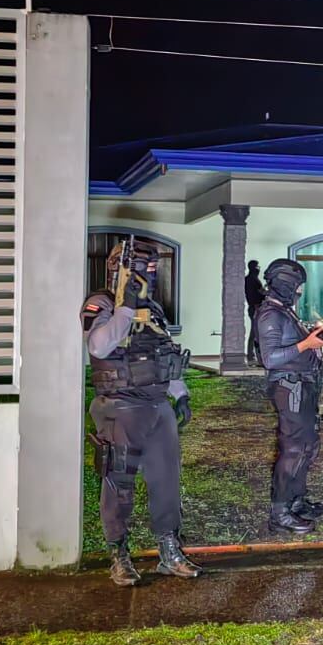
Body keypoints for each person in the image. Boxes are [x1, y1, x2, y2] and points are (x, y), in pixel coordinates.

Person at [82, 240, 203, 586]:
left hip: (156, 406)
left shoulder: (153, 308)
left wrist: (180, 395)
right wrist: (125, 306)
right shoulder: (101, 303)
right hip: (120, 408)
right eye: (145, 267)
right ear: (123, 268)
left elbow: (165, 354)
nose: (151, 273)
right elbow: (99, 345)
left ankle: (169, 550)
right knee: (118, 482)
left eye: (153, 268)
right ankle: (119, 555)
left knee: (166, 481)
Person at [255, 259, 323, 534]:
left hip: (303, 386)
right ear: (286, 284)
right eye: (297, 286)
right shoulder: (270, 315)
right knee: (293, 449)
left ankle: (296, 501)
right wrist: (307, 343)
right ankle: (280, 512)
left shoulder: (284, 312)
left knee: (307, 447)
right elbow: (270, 358)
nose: (300, 291)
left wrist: (312, 339)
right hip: (290, 388)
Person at [244, 259, 266, 366]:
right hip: (256, 308)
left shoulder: (249, 279)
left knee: (255, 332)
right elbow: (258, 294)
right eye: (257, 267)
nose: (258, 269)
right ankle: (252, 356)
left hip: (254, 308)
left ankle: (253, 355)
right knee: (255, 333)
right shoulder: (253, 280)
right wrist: (265, 293)